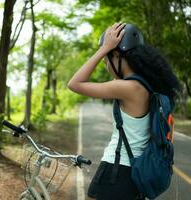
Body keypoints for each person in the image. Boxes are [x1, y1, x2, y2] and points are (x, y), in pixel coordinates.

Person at [67, 22, 180, 200]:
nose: (106, 65)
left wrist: (103, 49)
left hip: (117, 170)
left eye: (106, 60)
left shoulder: (127, 87)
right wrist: (108, 51)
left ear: (117, 55)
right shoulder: (149, 87)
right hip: (136, 174)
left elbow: (74, 84)